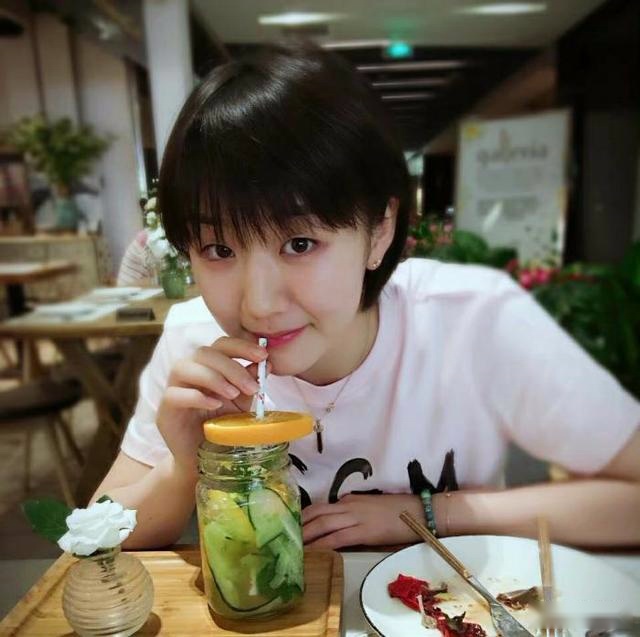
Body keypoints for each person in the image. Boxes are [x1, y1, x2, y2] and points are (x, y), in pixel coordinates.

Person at [94, 43, 640, 550]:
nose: (258, 305)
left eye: (300, 243)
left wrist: (428, 513)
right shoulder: (196, 344)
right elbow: (96, 538)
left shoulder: (473, 320)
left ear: (379, 231)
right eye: (218, 249)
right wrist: (183, 467)